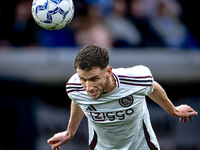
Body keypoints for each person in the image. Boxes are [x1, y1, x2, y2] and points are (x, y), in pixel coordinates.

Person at [47, 44, 198, 150]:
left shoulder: (137, 79)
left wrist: (173, 110)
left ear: (108, 72)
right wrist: (69, 132)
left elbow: (153, 87)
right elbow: (78, 100)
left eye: (94, 79)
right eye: (83, 79)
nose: (88, 87)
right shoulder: (74, 87)